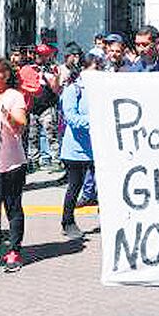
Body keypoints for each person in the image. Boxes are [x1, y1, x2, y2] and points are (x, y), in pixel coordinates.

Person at [0, 59, 28, 272]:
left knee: (12, 208)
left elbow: (20, 126)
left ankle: (14, 251)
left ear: (6, 76)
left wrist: (5, 113)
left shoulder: (14, 96)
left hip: (12, 164)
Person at [59, 52, 104, 240]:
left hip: (98, 147)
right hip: (76, 149)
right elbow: (71, 118)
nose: (98, 72)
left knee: (103, 186)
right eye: (95, 68)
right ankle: (67, 222)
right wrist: (96, 120)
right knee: (75, 186)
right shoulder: (73, 89)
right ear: (85, 69)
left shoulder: (100, 89)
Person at [24, 44, 62, 173]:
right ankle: (34, 160)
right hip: (33, 106)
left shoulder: (52, 69)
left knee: (51, 134)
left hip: (47, 105)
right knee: (32, 135)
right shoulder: (28, 69)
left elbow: (56, 89)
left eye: (43, 55)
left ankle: (56, 159)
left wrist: (49, 75)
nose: (39, 57)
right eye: (38, 55)